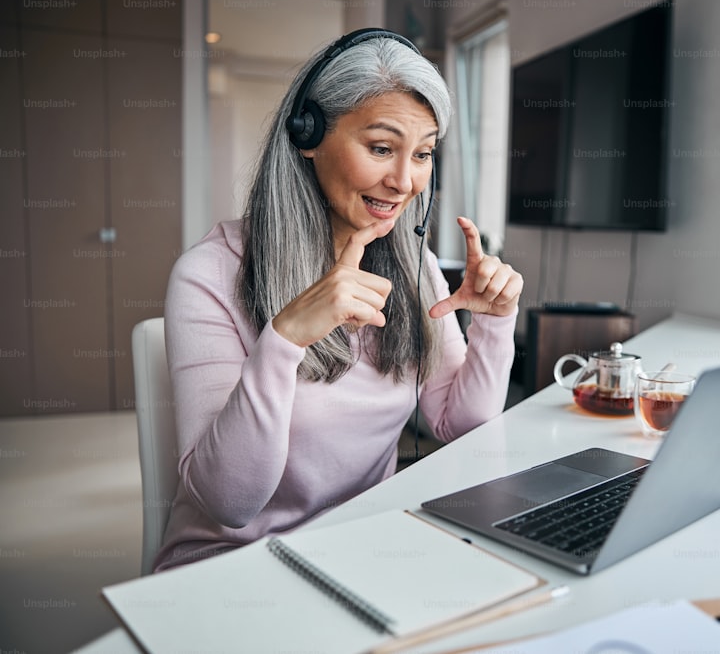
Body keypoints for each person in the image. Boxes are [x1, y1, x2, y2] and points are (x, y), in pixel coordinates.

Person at [154, 29, 523, 572]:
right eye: (380, 148)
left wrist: (493, 322)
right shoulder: (209, 274)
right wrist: (282, 341)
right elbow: (231, 505)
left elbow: (458, 424)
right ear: (309, 135)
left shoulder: (410, 263)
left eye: (422, 154)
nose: (404, 181)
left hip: (364, 550)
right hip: (234, 564)